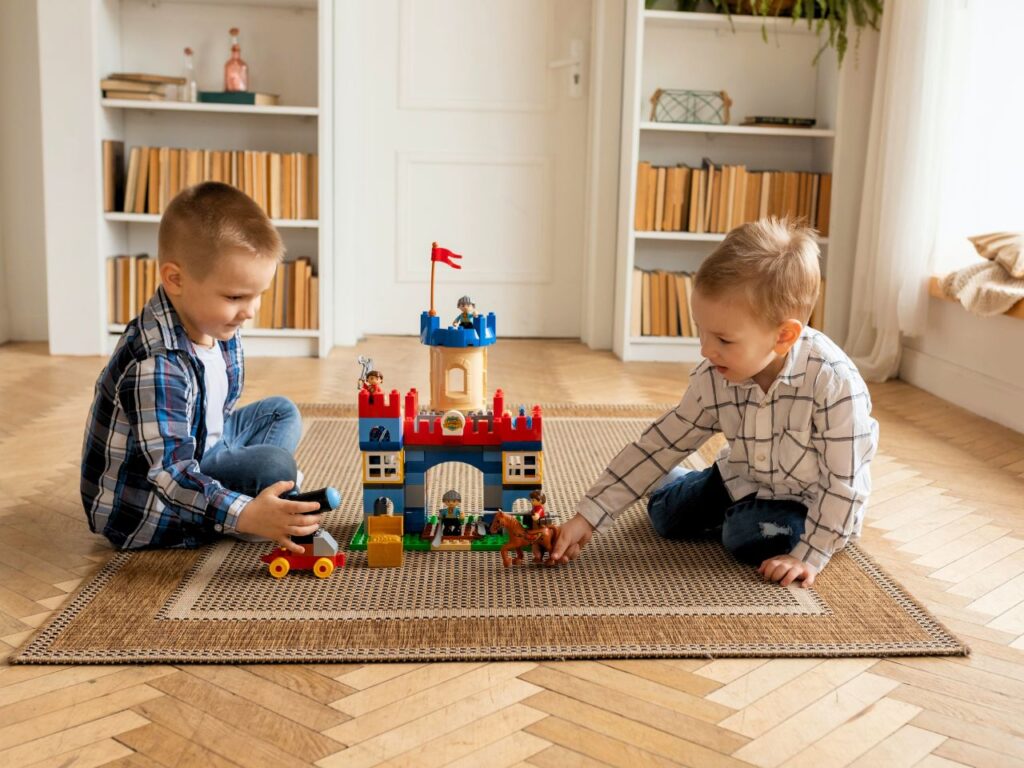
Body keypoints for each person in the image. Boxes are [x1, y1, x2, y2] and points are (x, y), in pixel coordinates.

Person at [552, 218, 879, 588]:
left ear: (784, 336)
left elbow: (845, 484)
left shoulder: (834, 384)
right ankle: (686, 485)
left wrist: (810, 555)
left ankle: (735, 516)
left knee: (744, 535)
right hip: (741, 477)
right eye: (702, 332)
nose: (706, 350)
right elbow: (659, 445)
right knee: (663, 516)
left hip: (806, 502)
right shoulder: (714, 374)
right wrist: (588, 516)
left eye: (723, 339)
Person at [81, 182, 322, 553]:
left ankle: (254, 495)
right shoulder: (156, 365)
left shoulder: (214, 322)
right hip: (153, 507)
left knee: (280, 412)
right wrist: (244, 513)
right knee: (277, 465)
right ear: (175, 279)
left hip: (204, 444)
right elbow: (171, 473)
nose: (251, 311)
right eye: (236, 297)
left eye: (258, 295)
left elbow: (217, 413)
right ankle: (247, 512)